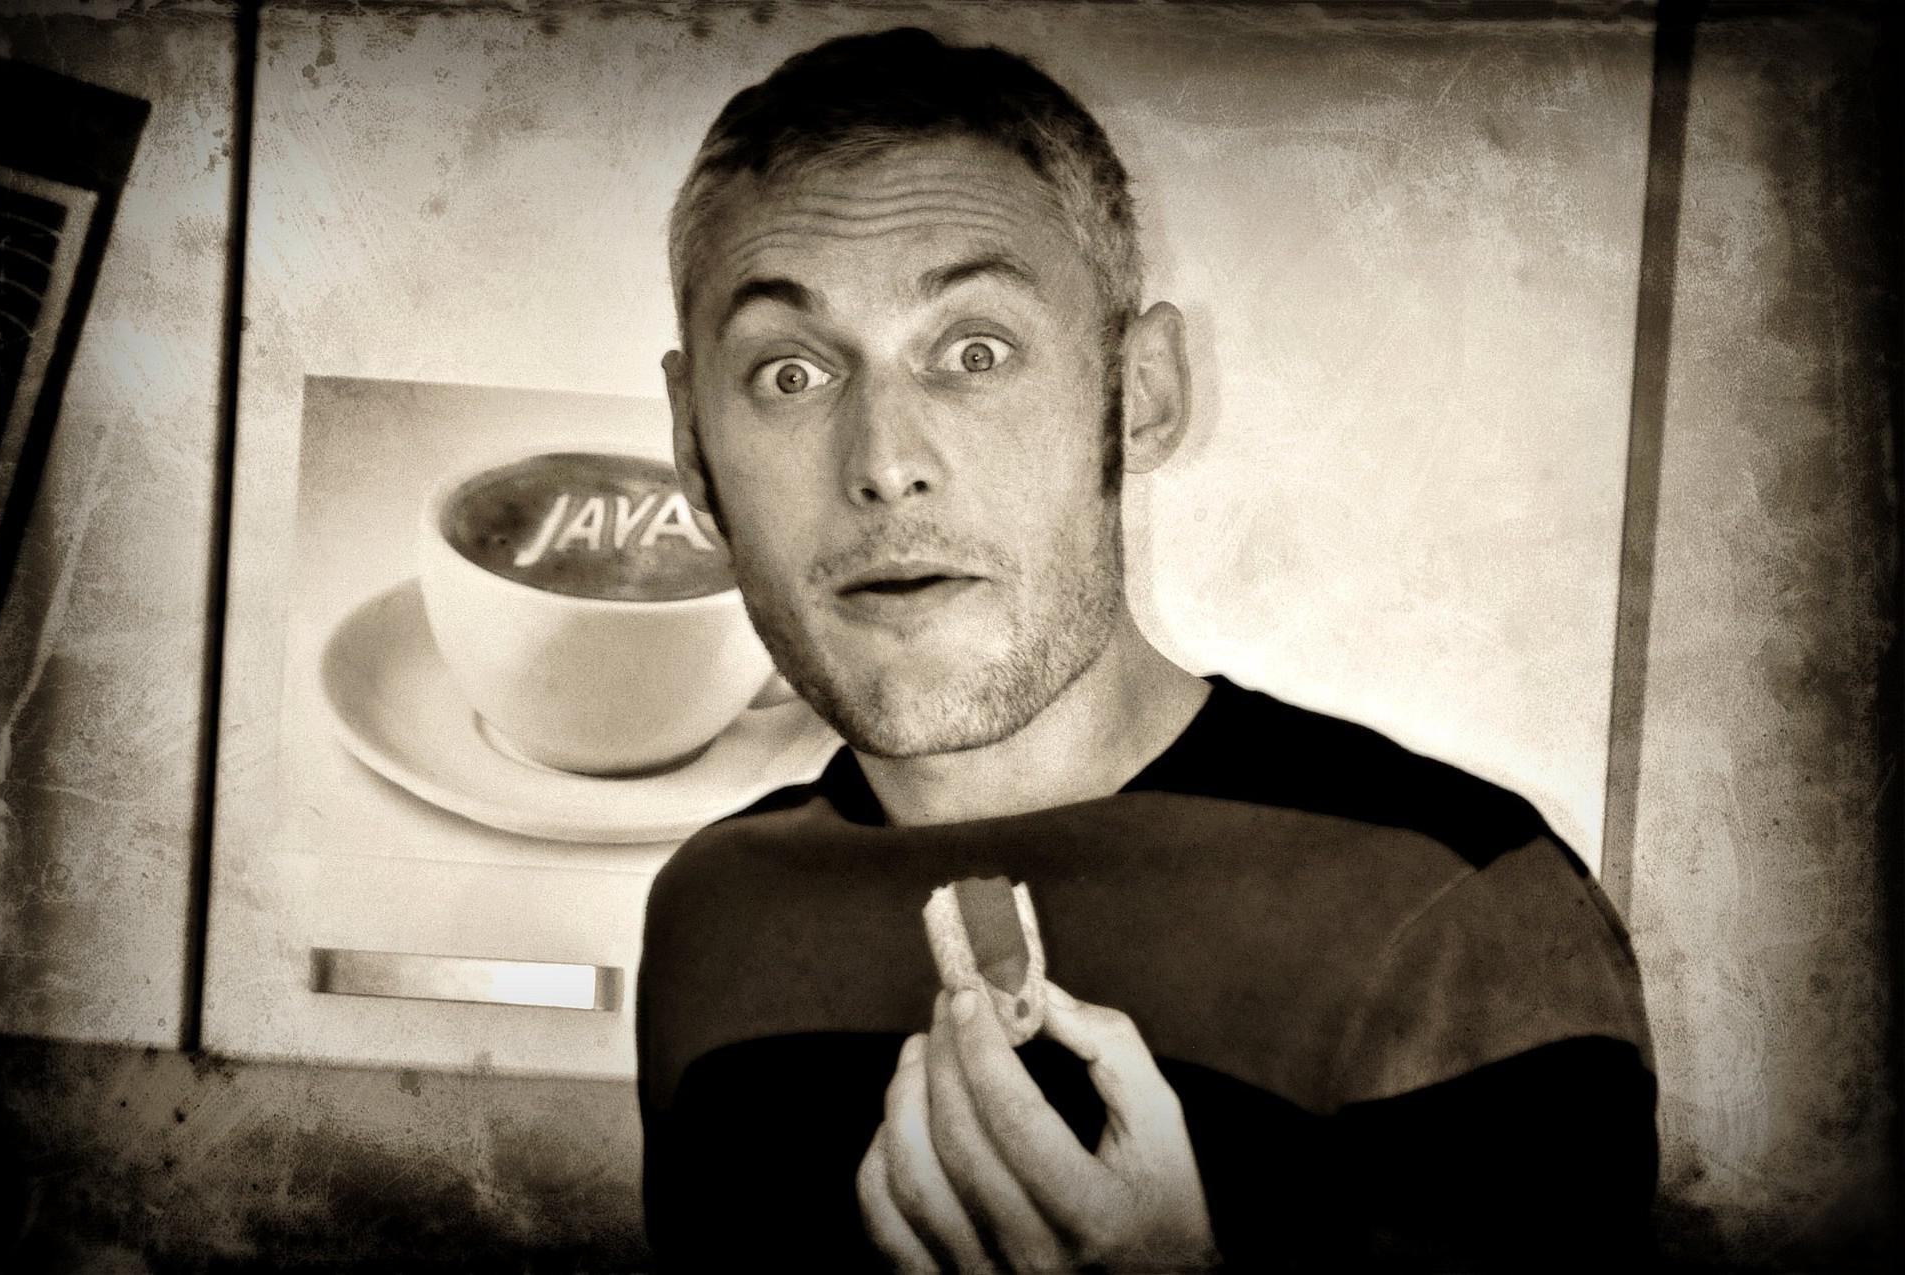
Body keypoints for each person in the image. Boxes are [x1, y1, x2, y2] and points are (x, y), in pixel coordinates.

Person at [636, 26, 1656, 1272]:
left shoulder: (1460, 908)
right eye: (791, 375)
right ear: (694, 450)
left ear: (1143, 396)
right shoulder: (711, 909)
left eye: (974, 353)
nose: (886, 465)